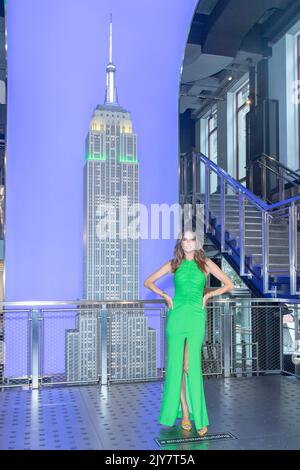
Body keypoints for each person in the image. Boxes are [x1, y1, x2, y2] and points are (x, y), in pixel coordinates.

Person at [144, 230, 234, 437]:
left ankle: (200, 418)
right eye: (185, 239)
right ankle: (185, 412)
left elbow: (229, 284)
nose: (188, 242)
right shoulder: (174, 264)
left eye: (192, 239)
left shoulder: (206, 264)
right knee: (176, 367)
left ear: (197, 243)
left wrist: (209, 294)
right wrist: (165, 296)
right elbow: (148, 281)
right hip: (176, 318)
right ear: (181, 244)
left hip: (196, 317)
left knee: (191, 365)